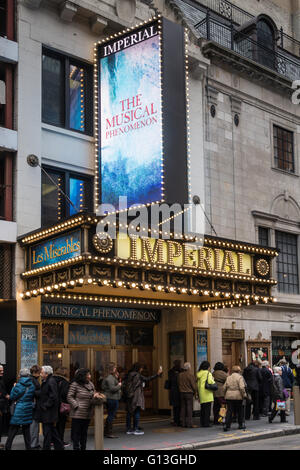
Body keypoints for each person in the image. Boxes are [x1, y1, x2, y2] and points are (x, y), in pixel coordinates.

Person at [67, 368, 103, 450]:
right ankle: (76, 448)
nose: (90, 376)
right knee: (77, 433)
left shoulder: (90, 384)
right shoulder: (75, 384)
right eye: (88, 375)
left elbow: (93, 393)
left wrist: (96, 395)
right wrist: (76, 405)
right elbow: (69, 396)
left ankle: (83, 447)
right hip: (78, 413)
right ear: (83, 376)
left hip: (88, 412)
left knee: (84, 432)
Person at [124, 363, 163, 435]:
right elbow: (147, 379)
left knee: (129, 412)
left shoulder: (129, 374)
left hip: (129, 395)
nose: (142, 369)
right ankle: (135, 429)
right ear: (138, 368)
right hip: (136, 395)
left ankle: (128, 429)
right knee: (137, 411)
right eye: (141, 368)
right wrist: (157, 374)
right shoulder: (137, 375)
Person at [5, 368, 35, 450]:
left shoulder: (18, 385)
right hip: (28, 409)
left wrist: (13, 387)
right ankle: (28, 448)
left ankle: (8, 447)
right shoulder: (32, 385)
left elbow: (12, 397)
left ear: (20, 375)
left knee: (12, 431)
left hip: (19, 410)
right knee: (26, 432)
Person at [36, 365, 64, 450]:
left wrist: (45, 405)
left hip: (48, 412)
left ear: (47, 373)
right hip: (48, 412)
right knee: (52, 430)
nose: (40, 374)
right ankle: (59, 447)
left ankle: (46, 447)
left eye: (42, 372)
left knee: (47, 432)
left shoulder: (50, 381)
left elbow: (53, 396)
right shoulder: (47, 380)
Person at [223, 365, 247, 431]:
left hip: (229, 396)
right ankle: (240, 424)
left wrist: (225, 394)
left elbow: (224, 387)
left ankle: (227, 425)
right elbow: (242, 387)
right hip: (238, 396)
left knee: (229, 411)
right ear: (239, 371)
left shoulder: (229, 377)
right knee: (240, 411)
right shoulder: (240, 377)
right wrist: (244, 395)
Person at [102, 362, 122, 439]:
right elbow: (112, 389)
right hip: (112, 398)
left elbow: (103, 387)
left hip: (110, 398)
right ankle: (108, 432)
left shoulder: (106, 376)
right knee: (111, 415)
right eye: (115, 368)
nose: (115, 369)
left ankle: (106, 431)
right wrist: (119, 385)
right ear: (112, 369)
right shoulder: (110, 378)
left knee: (110, 415)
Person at [53, 367, 70, 446]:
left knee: (53, 424)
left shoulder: (52, 380)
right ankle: (60, 441)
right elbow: (65, 394)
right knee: (61, 424)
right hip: (61, 406)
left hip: (53, 405)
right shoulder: (64, 382)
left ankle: (52, 440)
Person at [177, 362, 197, 428]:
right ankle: (189, 423)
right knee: (189, 408)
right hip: (189, 393)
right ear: (188, 368)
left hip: (181, 393)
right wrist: (195, 391)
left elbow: (178, 384)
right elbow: (193, 386)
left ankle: (183, 423)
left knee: (183, 408)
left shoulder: (180, 375)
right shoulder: (190, 375)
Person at [197, 361, 216, 428]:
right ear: (208, 367)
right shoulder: (208, 373)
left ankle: (202, 422)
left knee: (203, 409)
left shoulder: (199, 374)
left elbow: (198, 384)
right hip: (207, 393)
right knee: (207, 409)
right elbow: (211, 382)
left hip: (201, 393)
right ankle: (206, 423)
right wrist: (213, 380)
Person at [167, 360, 183, 426]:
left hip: (173, 391)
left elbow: (170, 381)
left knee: (175, 407)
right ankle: (179, 420)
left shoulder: (170, 371)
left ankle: (175, 420)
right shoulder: (182, 371)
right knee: (180, 406)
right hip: (180, 391)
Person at [29, 365, 41, 450]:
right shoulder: (33, 380)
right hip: (34, 406)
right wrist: (41, 392)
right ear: (35, 372)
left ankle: (34, 443)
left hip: (32, 405)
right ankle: (33, 444)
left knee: (34, 425)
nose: (40, 374)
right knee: (34, 425)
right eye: (39, 372)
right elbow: (33, 392)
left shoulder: (32, 379)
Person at [0, 364, 9, 450]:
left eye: (2, 370)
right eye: (0, 371)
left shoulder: (1, 379)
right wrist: (5, 395)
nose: (2, 372)